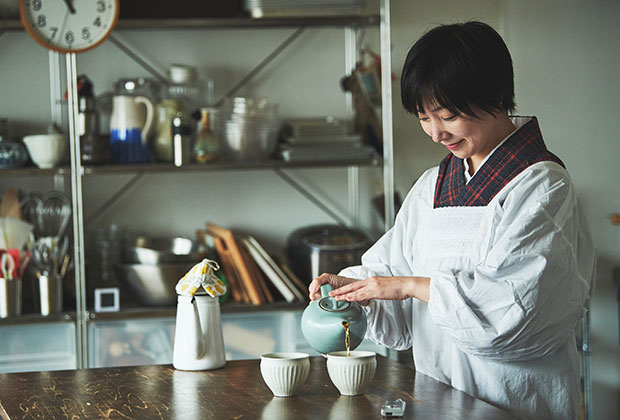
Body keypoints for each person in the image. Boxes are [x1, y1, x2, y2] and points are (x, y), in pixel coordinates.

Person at [309, 21, 595, 420]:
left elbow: (511, 313)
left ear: (495, 96)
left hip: (515, 403)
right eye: (424, 118)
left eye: (447, 115)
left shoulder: (542, 186)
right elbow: (391, 268)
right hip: (439, 398)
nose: (435, 133)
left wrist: (410, 285)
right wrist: (359, 288)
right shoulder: (433, 185)